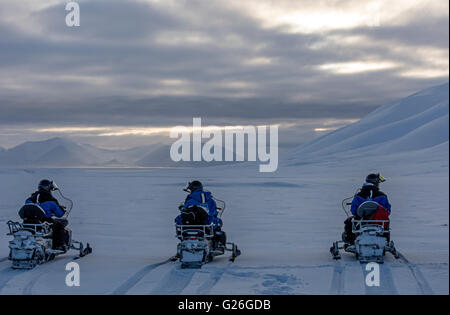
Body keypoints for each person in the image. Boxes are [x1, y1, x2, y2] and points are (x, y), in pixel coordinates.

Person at [19, 179, 69, 250]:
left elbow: (30, 209)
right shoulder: (51, 200)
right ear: (49, 189)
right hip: (43, 221)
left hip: (28, 222)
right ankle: (59, 245)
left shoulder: (30, 199)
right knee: (60, 226)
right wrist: (62, 209)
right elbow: (59, 214)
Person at [343, 173, 391, 244]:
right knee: (387, 221)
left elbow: (353, 210)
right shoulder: (382, 196)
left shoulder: (359, 195)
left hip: (361, 222)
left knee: (349, 222)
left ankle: (351, 241)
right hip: (379, 222)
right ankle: (386, 240)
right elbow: (388, 210)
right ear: (376, 183)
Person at [175, 180, 226, 247]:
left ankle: (184, 241)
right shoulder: (210, 199)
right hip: (205, 224)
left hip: (189, 225)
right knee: (218, 223)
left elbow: (184, 211)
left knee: (178, 221)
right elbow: (213, 212)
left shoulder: (190, 199)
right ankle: (219, 245)